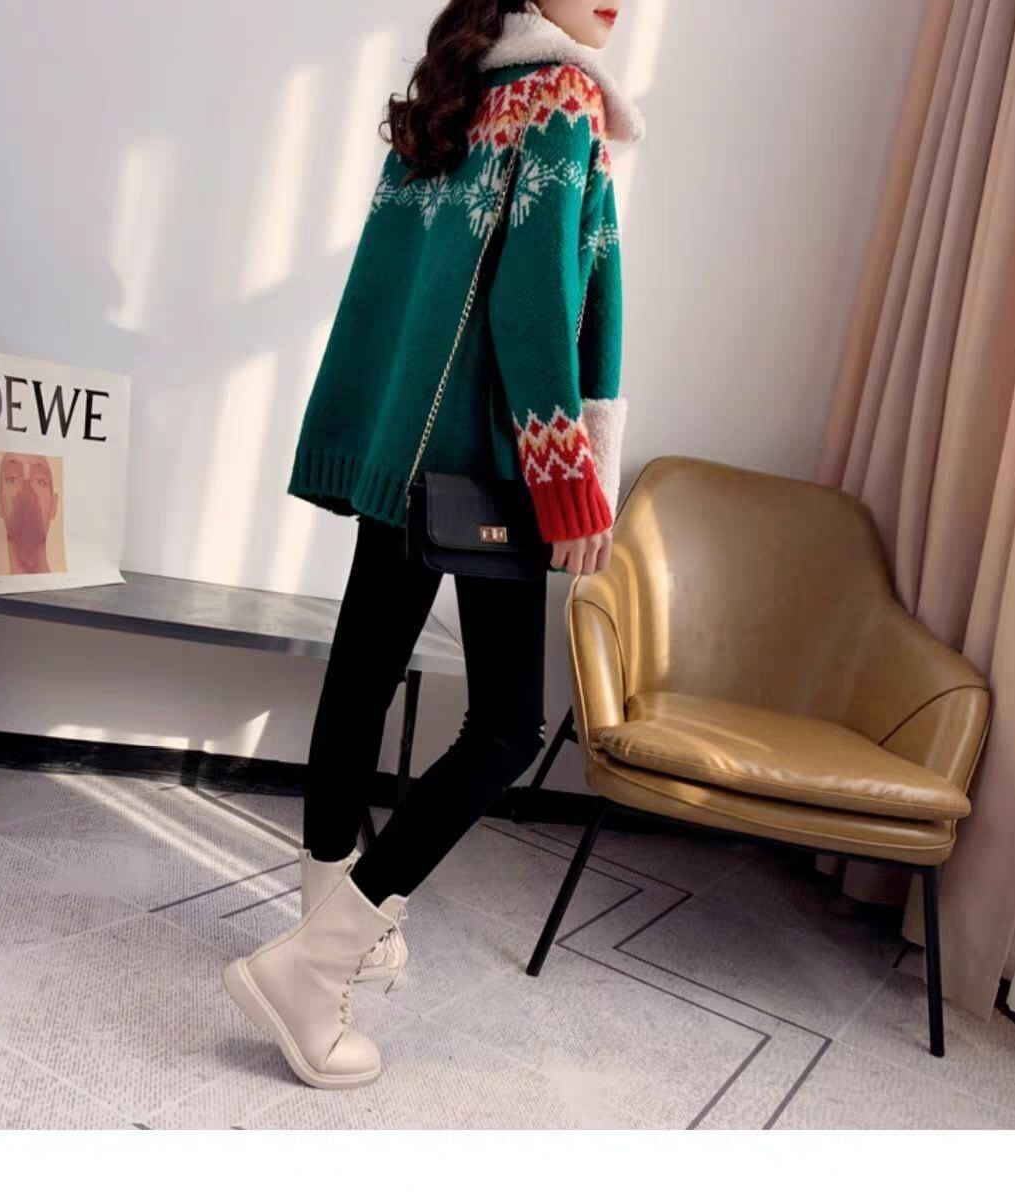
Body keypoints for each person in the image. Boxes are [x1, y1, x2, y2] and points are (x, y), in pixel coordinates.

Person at [223, 0, 643, 1090]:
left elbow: (388, 287)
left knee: (361, 674)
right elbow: (537, 306)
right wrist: (572, 483)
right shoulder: (558, 96)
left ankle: (327, 913)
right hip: (488, 461)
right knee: (507, 726)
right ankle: (315, 967)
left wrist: (370, 431)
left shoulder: (458, 91)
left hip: (406, 447)